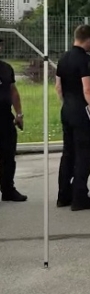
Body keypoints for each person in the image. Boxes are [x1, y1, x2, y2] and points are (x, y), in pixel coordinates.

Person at [55, 24, 90, 211]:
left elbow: (58, 87)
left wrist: (66, 104)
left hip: (67, 109)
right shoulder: (85, 60)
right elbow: (88, 89)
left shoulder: (63, 58)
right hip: (82, 112)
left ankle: (63, 195)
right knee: (84, 154)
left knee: (68, 153)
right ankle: (80, 197)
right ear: (89, 40)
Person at [0, 37, 26, 202]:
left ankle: (8, 189)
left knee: (9, 156)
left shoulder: (6, 68)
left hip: (5, 117)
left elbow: (13, 91)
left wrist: (19, 114)